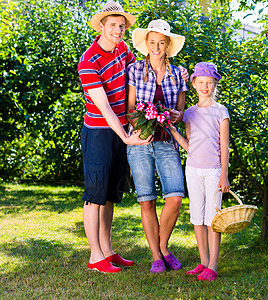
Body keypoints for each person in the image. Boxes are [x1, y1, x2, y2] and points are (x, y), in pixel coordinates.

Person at [77, 2, 152, 274]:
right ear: (101, 26)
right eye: (113, 26)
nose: (118, 31)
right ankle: (95, 256)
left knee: (109, 195)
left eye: (122, 26)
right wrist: (126, 137)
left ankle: (107, 251)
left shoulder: (123, 50)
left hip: (121, 131)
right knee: (94, 196)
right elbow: (104, 107)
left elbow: (136, 80)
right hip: (99, 133)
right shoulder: (89, 61)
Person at [126, 19, 188, 273]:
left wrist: (175, 116)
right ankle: (156, 256)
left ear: (167, 45)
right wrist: (141, 124)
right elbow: (130, 108)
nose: (156, 47)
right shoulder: (135, 70)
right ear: (146, 44)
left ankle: (163, 247)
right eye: (152, 42)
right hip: (140, 141)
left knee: (175, 197)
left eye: (161, 42)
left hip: (167, 141)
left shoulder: (178, 74)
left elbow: (182, 110)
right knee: (147, 200)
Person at [168, 62, 230, 281]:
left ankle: (213, 265)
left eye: (209, 83)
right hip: (193, 170)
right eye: (201, 82)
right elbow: (189, 145)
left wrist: (224, 175)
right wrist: (174, 132)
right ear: (193, 84)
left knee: (213, 220)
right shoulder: (189, 114)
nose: (205, 86)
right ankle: (203, 262)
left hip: (213, 172)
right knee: (197, 217)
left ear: (215, 85)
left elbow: (224, 145)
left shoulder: (220, 111)